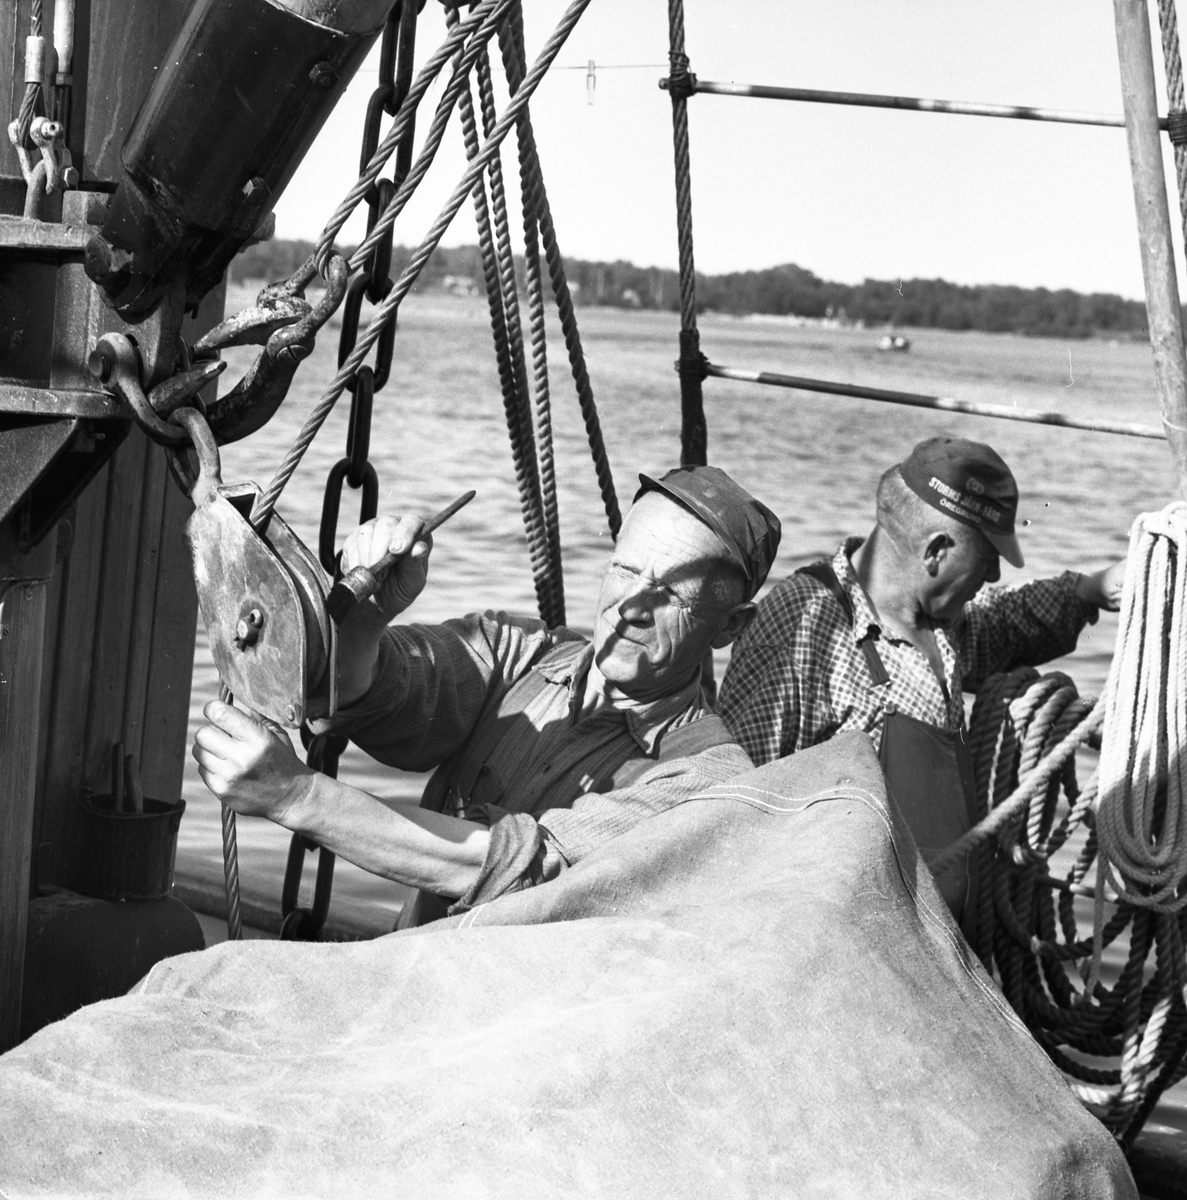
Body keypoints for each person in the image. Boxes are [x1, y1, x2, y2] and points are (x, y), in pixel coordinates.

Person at [192, 465, 781, 920]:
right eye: (625, 570)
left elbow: (523, 866)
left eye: (671, 595)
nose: (631, 607)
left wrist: (295, 795)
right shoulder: (518, 653)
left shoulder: (710, 783)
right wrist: (368, 619)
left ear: (730, 626)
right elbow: (366, 695)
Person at [716, 436, 1124, 915]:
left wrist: (1091, 590)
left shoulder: (938, 620)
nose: (994, 575)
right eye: (988, 558)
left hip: (938, 934)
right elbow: (737, 817)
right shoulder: (798, 629)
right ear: (936, 551)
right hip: (841, 935)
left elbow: (1007, 620)